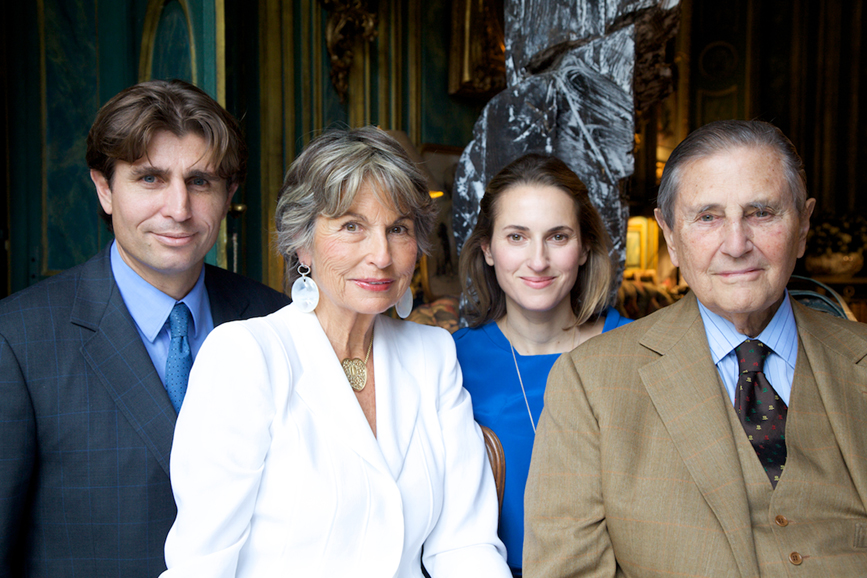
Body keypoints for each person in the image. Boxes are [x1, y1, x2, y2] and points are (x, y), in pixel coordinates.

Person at [161, 126, 511, 577]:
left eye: (398, 229)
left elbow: (466, 547)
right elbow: (202, 566)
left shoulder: (433, 355)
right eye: (352, 226)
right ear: (302, 242)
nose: (381, 256)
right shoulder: (246, 356)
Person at [524, 120, 867, 576]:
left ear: (803, 225)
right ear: (670, 234)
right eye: (707, 217)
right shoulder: (591, 384)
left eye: (761, 212)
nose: (736, 244)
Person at [0, 79, 289, 577]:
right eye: (150, 179)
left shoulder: (276, 321)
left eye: (200, 182)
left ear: (229, 194)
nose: (178, 210)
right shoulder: (19, 338)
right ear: (104, 188)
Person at [453, 154, 630, 575]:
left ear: (584, 248)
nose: (537, 260)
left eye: (558, 237)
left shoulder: (636, 350)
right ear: (488, 250)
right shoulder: (451, 362)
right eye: (516, 237)